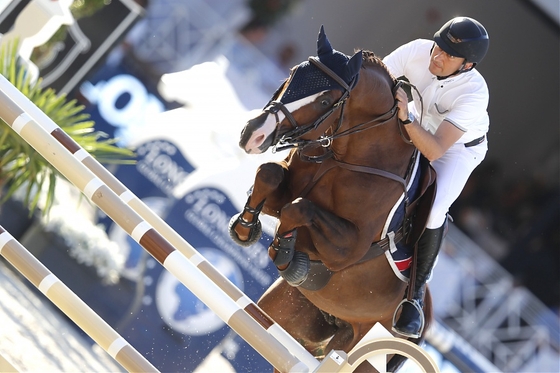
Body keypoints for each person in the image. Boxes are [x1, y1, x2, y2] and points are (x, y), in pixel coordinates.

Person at [382, 16, 490, 338]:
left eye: (447, 55)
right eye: (438, 47)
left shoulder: (475, 93)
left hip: (456, 150)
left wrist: (405, 116)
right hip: (411, 122)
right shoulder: (418, 50)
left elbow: (435, 150)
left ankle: (414, 296)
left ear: (467, 64)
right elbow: (373, 79)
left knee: (435, 207)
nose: (436, 57)